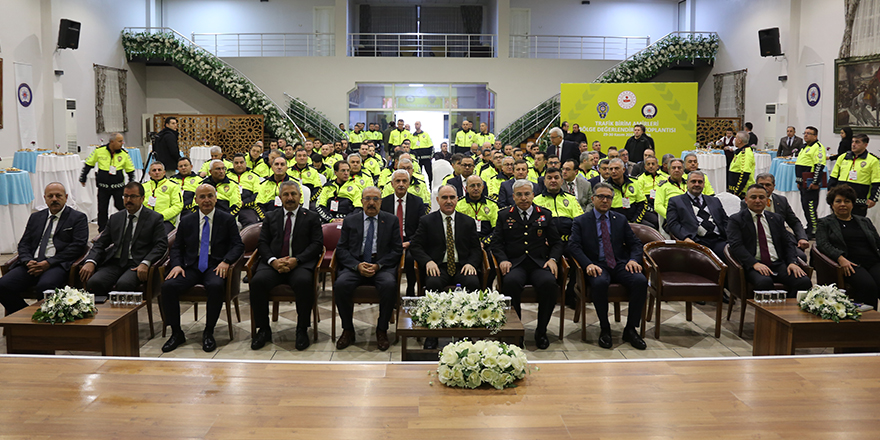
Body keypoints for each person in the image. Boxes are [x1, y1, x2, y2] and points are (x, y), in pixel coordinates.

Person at [161, 184, 244, 353]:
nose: (206, 200)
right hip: (190, 266)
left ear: (215, 197)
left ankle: (209, 331)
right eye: (202, 197)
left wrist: (226, 261)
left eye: (210, 196)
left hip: (215, 265)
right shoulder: (187, 220)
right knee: (168, 286)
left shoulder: (226, 219)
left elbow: (238, 245)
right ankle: (176, 332)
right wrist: (176, 265)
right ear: (196, 200)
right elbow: (177, 247)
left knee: (215, 286)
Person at [568, 182, 648, 350]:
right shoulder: (581, 221)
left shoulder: (619, 219)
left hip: (619, 262)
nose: (604, 200)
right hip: (596, 264)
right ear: (593, 199)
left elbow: (635, 243)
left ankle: (631, 329)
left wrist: (634, 260)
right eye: (601, 197)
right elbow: (573, 246)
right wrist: (587, 264)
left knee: (640, 281)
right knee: (599, 283)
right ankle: (605, 328)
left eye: (608, 198)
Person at [250, 181, 324, 350]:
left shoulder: (311, 217)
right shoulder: (270, 216)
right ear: (280, 197)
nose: (290, 198)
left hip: (300, 264)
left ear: (300, 196)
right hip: (273, 265)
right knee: (257, 282)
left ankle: (302, 329)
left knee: (304, 282)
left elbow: (317, 244)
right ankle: (263, 330)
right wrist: (273, 261)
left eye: (293, 194)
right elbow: (262, 243)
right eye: (286, 195)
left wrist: (296, 260)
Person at [491, 180, 562, 350]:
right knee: (511, 283)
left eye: (527, 194)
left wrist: (553, 259)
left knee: (549, 283)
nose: (523, 198)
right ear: (513, 197)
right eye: (519, 195)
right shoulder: (504, 215)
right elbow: (496, 244)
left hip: (539, 263)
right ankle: (516, 331)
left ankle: (541, 330)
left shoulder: (544, 214)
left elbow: (557, 243)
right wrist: (502, 260)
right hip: (515, 264)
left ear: (533, 195)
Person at [410, 185, 482, 348]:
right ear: (438, 200)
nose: (448, 201)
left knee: (472, 283)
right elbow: (416, 246)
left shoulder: (467, 221)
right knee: (433, 284)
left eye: (452, 197)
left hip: (462, 265)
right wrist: (428, 261)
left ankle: (466, 331)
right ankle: (433, 333)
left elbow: (476, 248)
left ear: (457, 199)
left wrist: (471, 263)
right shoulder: (427, 221)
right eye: (444, 198)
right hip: (438, 266)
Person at [0, 183, 89, 315]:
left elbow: (77, 247)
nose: (54, 199)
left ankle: (45, 322)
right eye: (50, 196)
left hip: (56, 264)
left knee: (46, 287)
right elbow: (24, 244)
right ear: (45, 198)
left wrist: (49, 263)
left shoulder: (78, 218)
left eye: (58, 196)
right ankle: (25, 316)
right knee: (3, 285)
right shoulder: (36, 217)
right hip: (31, 264)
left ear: (66, 197)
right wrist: (27, 261)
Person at [333, 187, 403, 351]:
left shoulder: (391, 220)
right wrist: (356, 266)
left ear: (381, 202)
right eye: (368, 199)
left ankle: (382, 329)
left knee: (389, 285)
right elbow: (341, 249)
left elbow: (397, 250)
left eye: (376, 199)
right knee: (340, 285)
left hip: (381, 265)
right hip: (356, 265)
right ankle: (348, 329)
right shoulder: (351, 220)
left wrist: (379, 265)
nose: (371, 203)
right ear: (361, 201)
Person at [79, 182, 167, 296]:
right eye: (126, 196)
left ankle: (125, 313)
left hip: (137, 263)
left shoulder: (154, 218)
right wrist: (91, 261)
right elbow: (100, 243)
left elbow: (161, 245)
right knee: (95, 282)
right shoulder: (116, 218)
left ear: (142, 198)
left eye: (133, 196)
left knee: (124, 284)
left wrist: (146, 262)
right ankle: (104, 313)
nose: (128, 200)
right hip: (115, 262)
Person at [727, 184, 812, 298]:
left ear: (767, 200)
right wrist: (754, 263)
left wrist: (792, 262)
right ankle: (768, 314)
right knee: (764, 283)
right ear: (746, 200)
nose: (758, 201)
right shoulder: (736, 220)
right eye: (753, 197)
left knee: (804, 282)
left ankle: (786, 311)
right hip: (754, 264)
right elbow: (736, 246)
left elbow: (787, 243)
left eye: (761, 197)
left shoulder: (776, 218)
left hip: (777, 263)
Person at [816, 184, 880, 309]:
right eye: (838, 201)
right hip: (850, 263)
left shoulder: (864, 221)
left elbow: (877, 242)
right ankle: (867, 322)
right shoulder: (825, 223)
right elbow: (823, 244)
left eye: (847, 201)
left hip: (872, 261)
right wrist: (840, 258)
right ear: (832, 204)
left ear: (852, 203)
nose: (843, 204)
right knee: (868, 286)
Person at [741, 173, 810, 261]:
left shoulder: (781, 201)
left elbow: (794, 222)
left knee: (801, 257)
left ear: (774, 186)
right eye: (761, 185)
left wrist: (802, 238)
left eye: (768, 185)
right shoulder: (747, 203)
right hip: (758, 240)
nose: (764, 187)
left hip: (781, 239)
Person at [381, 170, 429, 297]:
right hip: (390, 241)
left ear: (409, 184)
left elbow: (421, 227)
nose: (401, 184)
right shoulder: (384, 202)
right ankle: (391, 291)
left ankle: (410, 288)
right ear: (392, 184)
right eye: (398, 181)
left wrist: (410, 242)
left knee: (410, 258)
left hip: (410, 241)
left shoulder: (417, 202)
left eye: (404, 181)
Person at [666, 171, 729, 259]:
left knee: (734, 254)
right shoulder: (676, 201)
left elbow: (725, 221)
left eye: (700, 182)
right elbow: (673, 224)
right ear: (687, 183)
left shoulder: (714, 200)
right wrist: (685, 238)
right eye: (693, 181)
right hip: (696, 241)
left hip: (718, 240)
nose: (697, 184)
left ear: (704, 184)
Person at [79, 133, 136, 232]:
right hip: (103, 187)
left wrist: (131, 184)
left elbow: (130, 169)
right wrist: (83, 177)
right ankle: (102, 231)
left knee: (121, 206)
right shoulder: (99, 151)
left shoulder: (124, 154)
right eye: (120, 141)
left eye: (122, 141)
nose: (122, 143)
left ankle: (128, 225)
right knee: (102, 209)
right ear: (112, 142)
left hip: (118, 187)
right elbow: (89, 164)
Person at [828, 134, 880, 217]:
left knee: (856, 225)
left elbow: (876, 181)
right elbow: (834, 176)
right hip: (840, 199)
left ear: (865, 145)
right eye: (852, 142)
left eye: (857, 142)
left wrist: (873, 198)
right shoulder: (843, 157)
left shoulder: (873, 160)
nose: (853, 144)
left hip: (859, 200)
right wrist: (830, 190)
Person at [795, 126, 826, 238]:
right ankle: (810, 226)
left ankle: (814, 229)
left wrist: (815, 182)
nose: (806, 135)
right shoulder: (804, 147)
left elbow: (819, 166)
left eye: (809, 133)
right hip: (803, 182)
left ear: (815, 136)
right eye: (805, 133)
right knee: (805, 206)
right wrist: (798, 181)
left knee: (811, 206)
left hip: (810, 183)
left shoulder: (818, 147)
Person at [607, 158, 655, 229]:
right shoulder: (605, 187)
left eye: (616, 168)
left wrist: (635, 221)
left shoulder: (634, 182)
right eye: (611, 169)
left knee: (651, 227)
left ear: (623, 170)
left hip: (633, 217)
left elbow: (643, 203)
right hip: (614, 220)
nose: (613, 171)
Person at [456, 175, 498, 247]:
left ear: (483, 187)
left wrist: (484, 243)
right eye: (472, 186)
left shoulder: (492, 205)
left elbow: (496, 229)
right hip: (465, 244)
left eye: (478, 185)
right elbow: (457, 229)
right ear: (466, 188)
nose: (476, 188)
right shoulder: (458, 204)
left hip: (488, 244)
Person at [144, 161, 183, 235]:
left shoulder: (173, 186)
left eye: (159, 170)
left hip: (165, 220)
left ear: (164, 172)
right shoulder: (143, 187)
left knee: (160, 237)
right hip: (146, 220)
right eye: (154, 170)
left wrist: (160, 216)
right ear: (149, 173)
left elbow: (178, 206)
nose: (157, 172)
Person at [227, 153, 262, 226]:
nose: (239, 165)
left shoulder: (253, 176)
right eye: (236, 163)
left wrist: (244, 203)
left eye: (241, 162)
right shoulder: (226, 176)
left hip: (246, 207)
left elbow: (258, 194)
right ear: (233, 164)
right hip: (228, 207)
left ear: (245, 163)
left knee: (252, 223)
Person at [654, 158, 687, 222]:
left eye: (679, 168)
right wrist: (672, 216)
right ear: (669, 170)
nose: (676, 170)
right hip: (672, 220)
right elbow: (658, 206)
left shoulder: (689, 184)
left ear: (683, 170)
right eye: (673, 168)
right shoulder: (662, 186)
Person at [729, 131, 756, 198]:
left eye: (736, 138)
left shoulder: (745, 153)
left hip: (742, 192)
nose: (734, 139)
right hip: (734, 189)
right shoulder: (740, 151)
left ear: (740, 141)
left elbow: (744, 174)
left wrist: (737, 192)